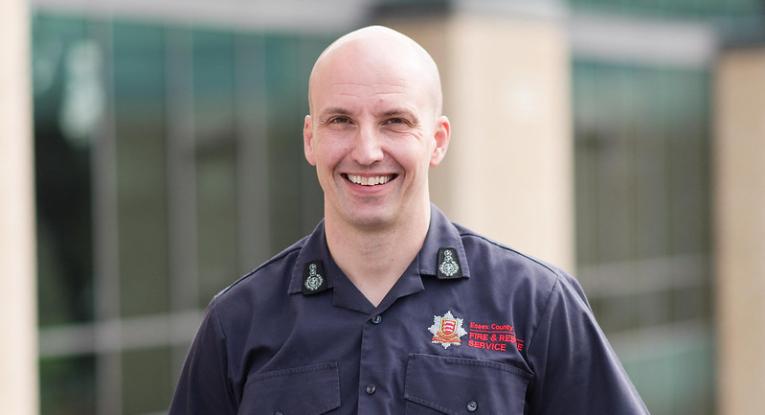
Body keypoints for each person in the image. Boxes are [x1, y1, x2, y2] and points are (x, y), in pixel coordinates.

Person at [169, 25, 649, 414]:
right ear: (310, 138)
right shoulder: (237, 322)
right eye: (340, 121)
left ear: (437, 140)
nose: (367, 150)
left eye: (395, 121)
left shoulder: (535, 306)